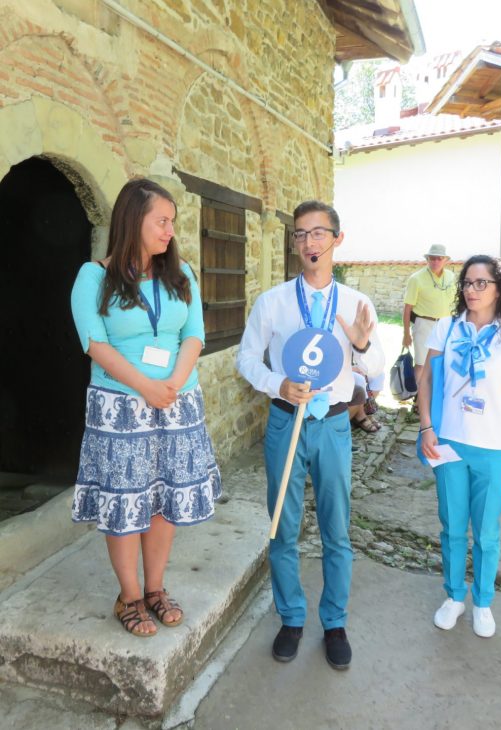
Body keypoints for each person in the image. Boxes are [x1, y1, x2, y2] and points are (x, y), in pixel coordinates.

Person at [71, 178, 221, 637]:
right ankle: (129, 595)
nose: (169, 231)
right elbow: (96, 344)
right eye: (162, 221)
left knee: (164, 498)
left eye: (172, 222)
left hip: (178, 402)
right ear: (133, 220)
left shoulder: (184, 275)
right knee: (125, 500)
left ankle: (155, 588)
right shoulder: (93, 277)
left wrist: (172, 384)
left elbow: (194, 334)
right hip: (121, 409)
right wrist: (145, 388)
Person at [236, 200, 384, 669]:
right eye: (300, 235)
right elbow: (245, 358)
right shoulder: (273, 302)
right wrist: (276, 382)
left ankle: (335, 622)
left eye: (318, 233)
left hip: (335, 423)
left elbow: (377, 369)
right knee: (282, 523)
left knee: (336, 529)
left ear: (337, 240)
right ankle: (292, 618)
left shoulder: (357, 304)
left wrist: (360, 346)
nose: (309, 243)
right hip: (285, 420)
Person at [418, 255, 501, 639]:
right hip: (449, 444)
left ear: (499, 289)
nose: (472, 291)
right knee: (453, 526)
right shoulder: (446, 328)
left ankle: (483, 601)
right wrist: (426, 427)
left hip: (493, 448)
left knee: (486, 532)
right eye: (467, 284)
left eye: (481, 283)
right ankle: (455, 596)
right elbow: (424, 380)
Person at [402, 244, 456, 385]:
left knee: (443, 363)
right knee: (421, 363)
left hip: (446, 325)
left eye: (439, 258)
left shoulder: (452, 277)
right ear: (427, 259)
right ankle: (418, 400)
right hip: (424, 323)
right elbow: (407, 308)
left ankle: (436, 397)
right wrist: (406, 334)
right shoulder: (416, 279)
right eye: (432, 258)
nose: (436, 261)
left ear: (445, 260)